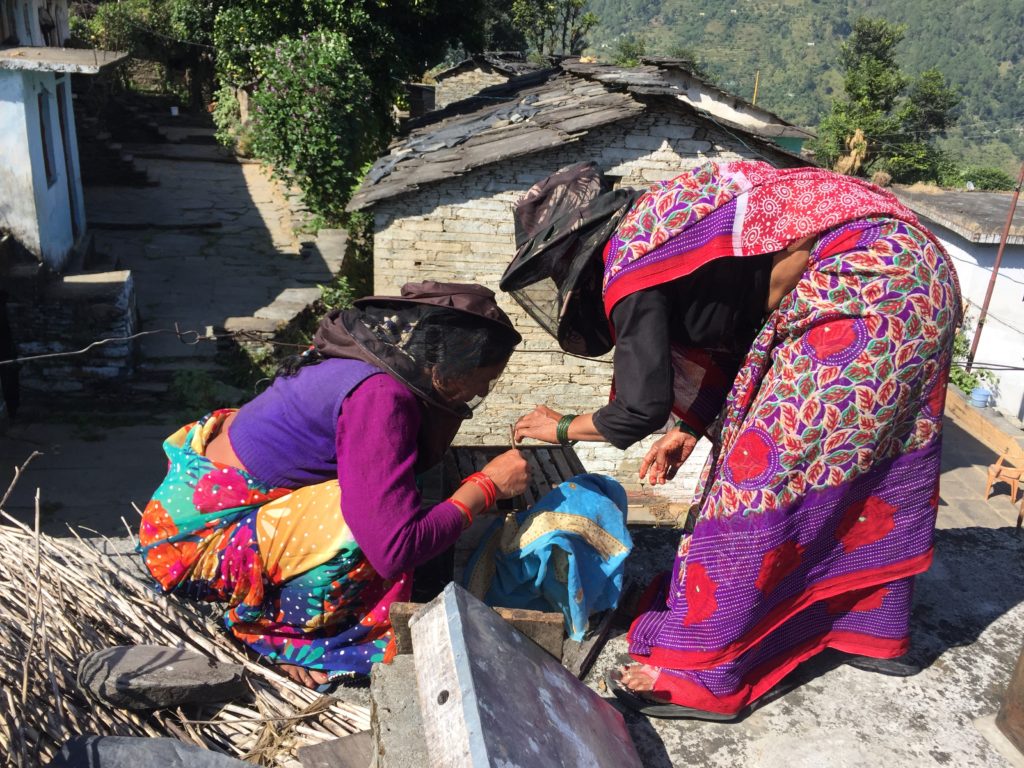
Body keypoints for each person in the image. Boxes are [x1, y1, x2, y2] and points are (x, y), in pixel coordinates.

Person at [505, 160, 961, 719]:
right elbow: (739, 335)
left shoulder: (630, 256)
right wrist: (691, 429)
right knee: (865, 465)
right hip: (918, 276)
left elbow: (637, 411)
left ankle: (704, 669)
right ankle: (869, 627)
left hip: (868, 281)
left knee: (758, 479)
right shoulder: (671, 229)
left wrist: (557, 427)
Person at [138, 281, 529, 689]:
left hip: (193, 511)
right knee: (373, 522)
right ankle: (283, 636)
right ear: (449, 366)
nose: (483, 391)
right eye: (484, 379)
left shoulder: (364, 362)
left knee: (385, 494)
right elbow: (394, 546)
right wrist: (485, 487)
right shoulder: (381, 395)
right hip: (195, 545)